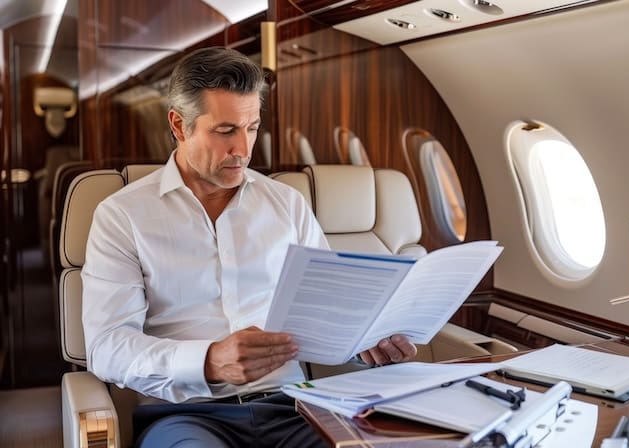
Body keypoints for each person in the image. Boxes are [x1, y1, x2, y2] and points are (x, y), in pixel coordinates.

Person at [81, 46, 417, 448]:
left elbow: (330, 309)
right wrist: (208, 362)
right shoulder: (122, 215)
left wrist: (366, 342)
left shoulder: (287, 205)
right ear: (179, 124)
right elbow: (108, 348)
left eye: (252, 127)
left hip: (294, 407)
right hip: (187, 415)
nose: (243, 149)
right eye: (225, 131)